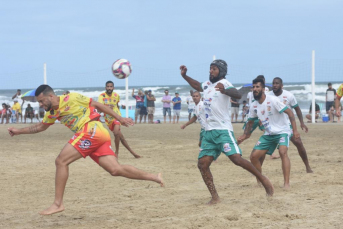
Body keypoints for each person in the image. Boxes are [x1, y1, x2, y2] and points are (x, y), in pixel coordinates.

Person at [8, 85, 164, 215]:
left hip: (91, 130)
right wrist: (19, 131)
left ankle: (57, 204)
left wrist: (120, 118)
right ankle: (155, 177)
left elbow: (97, 105)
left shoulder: (72, 98)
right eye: (39, 103)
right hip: (96, 136)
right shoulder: (52, 113)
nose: (40, 105)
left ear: (50, 96)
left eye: (41, 101)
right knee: (115, 170)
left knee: (61, 161)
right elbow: (40, 127)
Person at [180, 59, 274, 205]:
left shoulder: (225, 83)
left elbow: (236, 94)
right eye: (210, 68)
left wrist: (224, 90)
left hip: (223, 130)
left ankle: (263, 179)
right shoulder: (207, 85)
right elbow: (196, 85)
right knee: (202, 164)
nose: (211, 71)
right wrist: (185, 76)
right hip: (208, 132)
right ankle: (215, 197)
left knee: (237, 160)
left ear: (221, 71)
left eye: (214, 69)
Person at [238, 78, 300, 189]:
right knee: (253, 157)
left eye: (257, 87)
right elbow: (250, 122)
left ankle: (286, 183)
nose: (255, 89)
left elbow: (290, 113)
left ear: (263, 88)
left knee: (282, 152)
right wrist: (245, 135)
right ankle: (261, 180)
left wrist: (295, 131)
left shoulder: (273, 100)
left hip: (282, 131)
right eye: (254, 87)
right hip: (269, 134)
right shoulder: (254, 105)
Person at [267, 77, 313, 172]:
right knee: (262, 150)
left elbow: (297, 109)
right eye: (273, 83)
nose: (274, 85)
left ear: (282, 85)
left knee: (299, 143)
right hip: (273, 127)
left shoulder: (289, 95)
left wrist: (302, 123)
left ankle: (307, 166)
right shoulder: (268, 96)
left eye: (277, 83)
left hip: (287, 125)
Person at [98, 81, 141, 158]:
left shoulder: (116, 95)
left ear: (113, 88)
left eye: (111, 86)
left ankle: (116, 153)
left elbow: (117, 106)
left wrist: (119, 117)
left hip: (117, 117)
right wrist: (106, 108)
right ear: (105, 88)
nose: (109, 88)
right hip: (108, 120)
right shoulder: (102, 96)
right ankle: (133, 153)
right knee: (121, 137)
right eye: (108, 86)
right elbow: (99, 109)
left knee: (116, 133)